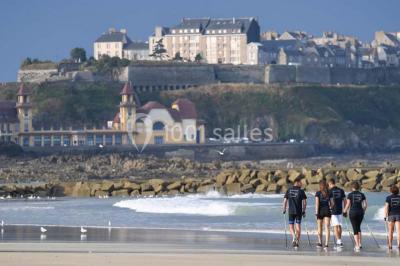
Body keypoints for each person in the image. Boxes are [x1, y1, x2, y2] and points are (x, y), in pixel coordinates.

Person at [283, 177, 307, 248]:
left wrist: (284, 209)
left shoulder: (289, 190)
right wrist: (304, 211)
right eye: (301, 182)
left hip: (291, 211)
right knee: (298, 227)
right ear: (297, 182)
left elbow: (285, 201)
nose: (302, 184)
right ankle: (297, 243)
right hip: (299, 211)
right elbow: (305, 203)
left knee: (291, 226)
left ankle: (294, 237)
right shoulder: (301, 191)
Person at [343, 181, 367, 251]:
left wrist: (344, 211)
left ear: (352, 187)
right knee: (358, 227)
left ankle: (357, 245)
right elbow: (365, 205)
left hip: (353, 213)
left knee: (355, 229)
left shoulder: (350, 195)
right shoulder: (362, 194)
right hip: (360, 212)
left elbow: (348, 204)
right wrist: (363, 211)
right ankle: (360, 243)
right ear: (358, 187)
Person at [328, 178, 346, 247]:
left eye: (328, 185)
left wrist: (329, 208)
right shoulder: (341, 190)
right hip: (340, 210)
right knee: (340, 226)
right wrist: (345, 210)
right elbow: (345, 200)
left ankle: (338, 240)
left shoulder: (330, 191)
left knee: (335, 226)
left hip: (333, 210)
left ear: (330, 184)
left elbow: (330, 201)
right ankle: (339, 239)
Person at [315, 180, 331, 248]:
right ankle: (326, 244)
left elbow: (317, 203)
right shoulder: (329, 193)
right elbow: (332, 203)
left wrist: (316, 212)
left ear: (320, 185)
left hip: (320, 211)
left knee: (319, 227)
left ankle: (320, 242)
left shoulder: (318, 193)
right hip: (327, 210)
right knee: (327, 227)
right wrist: (330, 208)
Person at [384, 184, 400, 250]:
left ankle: (390, 245)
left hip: (391, 215)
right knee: (398, 231)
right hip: (399, 215)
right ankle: (399, 245)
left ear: (391, 191)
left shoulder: (388, 197)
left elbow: (386, 207)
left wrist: (385, 216)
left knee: (390, 231)